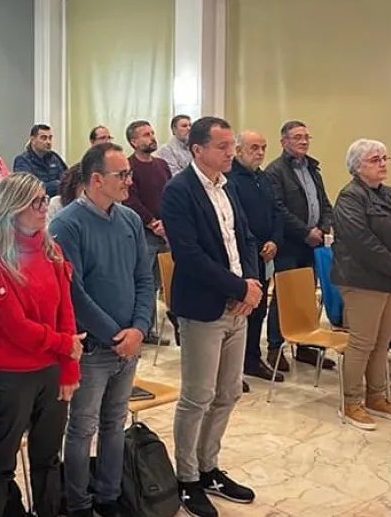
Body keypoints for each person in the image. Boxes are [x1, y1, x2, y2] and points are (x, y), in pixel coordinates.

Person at [160, 117, 261, 517]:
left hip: (239, 303)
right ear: (197, 150)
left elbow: (245, 238)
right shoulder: (179, 191)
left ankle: (208, 467)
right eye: (222, 146)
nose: (230, 153)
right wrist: (238, 289)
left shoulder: (228, 186)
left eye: (230, 146)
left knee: (228, 392)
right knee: (197, 396)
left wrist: (252, 283)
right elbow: (188, 255)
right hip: (204, 307)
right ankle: (186, 479)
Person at [51, 143, 155, 517]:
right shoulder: (66, 224)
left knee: (115, 421)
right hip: (94, 349)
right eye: (122, 175)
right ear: (96, 180)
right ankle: (78, 503)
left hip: (129, 343)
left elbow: (145, 278)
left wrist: (139, 329)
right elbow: (73, 293)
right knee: (82, 428)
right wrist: (116, 337)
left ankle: (109, 497)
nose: (130, 180)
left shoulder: (128, 219)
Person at [0, 173, 81, 517]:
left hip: (50, 369)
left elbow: (66, 310)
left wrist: (68, 368)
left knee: (48, 459)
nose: (43, 208)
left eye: (43, 199)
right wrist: (65, 345)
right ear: (12, 207)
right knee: (0, 463)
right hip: (9, 377)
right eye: (35, 202)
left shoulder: (52, 250)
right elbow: (17, 329)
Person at [331, 139, 391, 430]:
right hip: (362, 280)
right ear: (358, 167)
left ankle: (377, 396)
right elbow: (363, 243)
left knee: (383, 341)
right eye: (374, 159)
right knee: (362, 342)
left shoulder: (390, 194)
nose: (383, 163)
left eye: (384, 158)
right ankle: (352, 402)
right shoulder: (349, 198)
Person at [264, 119, 335, 371]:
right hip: (290, 243)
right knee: (284, 296)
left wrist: (324, 226)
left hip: (313, 244)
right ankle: (274, 348)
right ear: (283, 142)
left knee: (307, 297)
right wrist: (306, 232)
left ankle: (305, 346)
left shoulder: (313, 169)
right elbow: (279, 209)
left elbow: (325, 203)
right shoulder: (274, 171)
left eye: (306, 136)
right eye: (297, 137)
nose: (303, 141)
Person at [225, 130, 285, 384]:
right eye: (254, 148)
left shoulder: (265, 177)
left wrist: (274, 239)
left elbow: (277, 211)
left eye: (263, 147)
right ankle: (233, 368)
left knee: (259, 308)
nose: (260, 152)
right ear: (238, 151)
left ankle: (252, 358)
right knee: (241, 311)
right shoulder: (230, 179)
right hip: (242, 255)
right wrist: (257, 243)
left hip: (264, 254)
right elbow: (237, 220)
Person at [123, 120, 172, 345]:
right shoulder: (129, 166)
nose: (151, 137)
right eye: (145, 134)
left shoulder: (162, 165)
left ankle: (150, 328)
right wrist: (153, 223)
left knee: (157, 283)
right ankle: (140, 327)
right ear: (134, 141)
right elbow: (131, 200)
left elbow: (170, 195)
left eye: (152, 133)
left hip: (166, 232)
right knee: (142, 282)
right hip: (144, 232)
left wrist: (168, 224)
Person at [13, 124, 68, 197]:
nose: (48, 142)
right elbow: (28, 189)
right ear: (32, 140)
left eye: (50, 138)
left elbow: (67, 180)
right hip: (36, 203)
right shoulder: (22, 161)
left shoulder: (55, 157)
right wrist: (55, 185)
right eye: (43, 138)